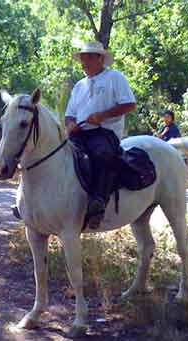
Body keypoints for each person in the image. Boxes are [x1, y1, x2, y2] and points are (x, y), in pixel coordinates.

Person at [65, 40, 136, 229]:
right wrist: (71, 124)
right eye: (82, 58)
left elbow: (130, 104)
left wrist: (102, 116)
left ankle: (98, 203)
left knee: (102, 155)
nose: (84, 62)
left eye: (88, 58)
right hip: (80, 133)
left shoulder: (115, 77)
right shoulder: (79, 85)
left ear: (100, 59)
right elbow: (69, 113)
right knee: (59, 155)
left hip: (105, 132)